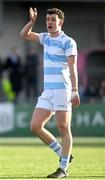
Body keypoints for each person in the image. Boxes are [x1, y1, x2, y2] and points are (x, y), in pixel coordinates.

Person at [20, 7, 80, 178]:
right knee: (35, 126)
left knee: (63, 127)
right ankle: (64, 154)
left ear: (61, 22)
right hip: (48, 91)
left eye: (53, 20)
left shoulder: (68, 41)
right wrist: (32, 22)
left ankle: (63, 169)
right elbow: (24, 35)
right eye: (47, 20)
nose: (49, 23)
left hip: (63, 89)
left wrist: (75, 91)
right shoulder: (45, 38)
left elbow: (72, 67)